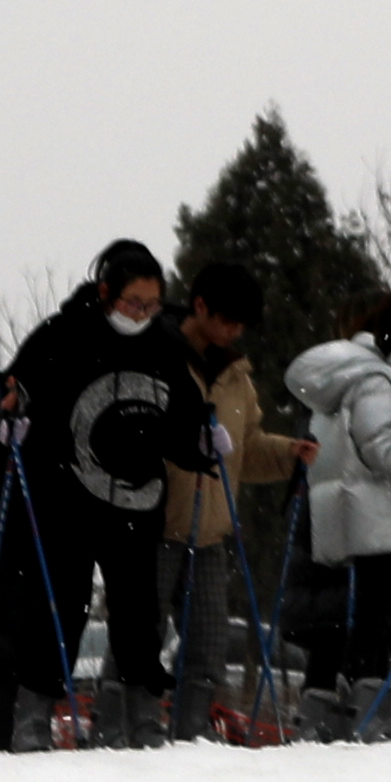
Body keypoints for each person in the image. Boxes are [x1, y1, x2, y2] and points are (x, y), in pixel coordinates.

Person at [6, 244, 212, 743]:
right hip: (68, 499)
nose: (141, 314)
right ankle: (33, 714)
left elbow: (180, 422)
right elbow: (17, 384)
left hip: (137, 503)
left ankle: (142, 714)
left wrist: (201, 443)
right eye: (132, 303)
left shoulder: (165, 345)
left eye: (151, 305)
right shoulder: (63, 335)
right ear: (105, 293)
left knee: (139, 613)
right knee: (61, 605)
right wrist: (10, 406)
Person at [285, 288, 391, 721]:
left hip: (340, 508)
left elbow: (353, 448)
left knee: (345, 618)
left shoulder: (341, 377)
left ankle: (326, 707)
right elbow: (382, 450)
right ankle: (367, 707)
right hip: (379, 511)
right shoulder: (380, 378)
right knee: (375, 615)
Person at [162, 256, 302, 739]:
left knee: (207, 645)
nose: (233, 332)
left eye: (241, 324)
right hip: (156, 525)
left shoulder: (237, 375)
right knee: (136, 642)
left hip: (211, 531)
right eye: (227, 320)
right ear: (199, 306)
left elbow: (244, 452)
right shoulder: (160, 352)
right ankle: (123, 731)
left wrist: (289, 455)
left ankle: (190, 735)